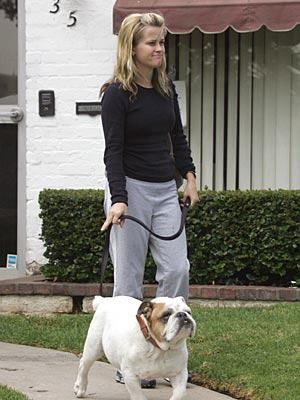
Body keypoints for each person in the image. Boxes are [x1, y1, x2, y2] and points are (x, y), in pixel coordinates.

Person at [100, 12, 199, 388]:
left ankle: (168, 350)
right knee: (127, 281)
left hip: (164, 190)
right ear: (132, 48)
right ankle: (131, 359)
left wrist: (189, 177)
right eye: (152, 43)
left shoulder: (165, 88)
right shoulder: (116, 95)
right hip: (130, 190)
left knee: (177, 269)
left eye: (161, 41)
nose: (159, 48)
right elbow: (114, 151)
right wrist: (119, 199)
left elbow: (177, 136)